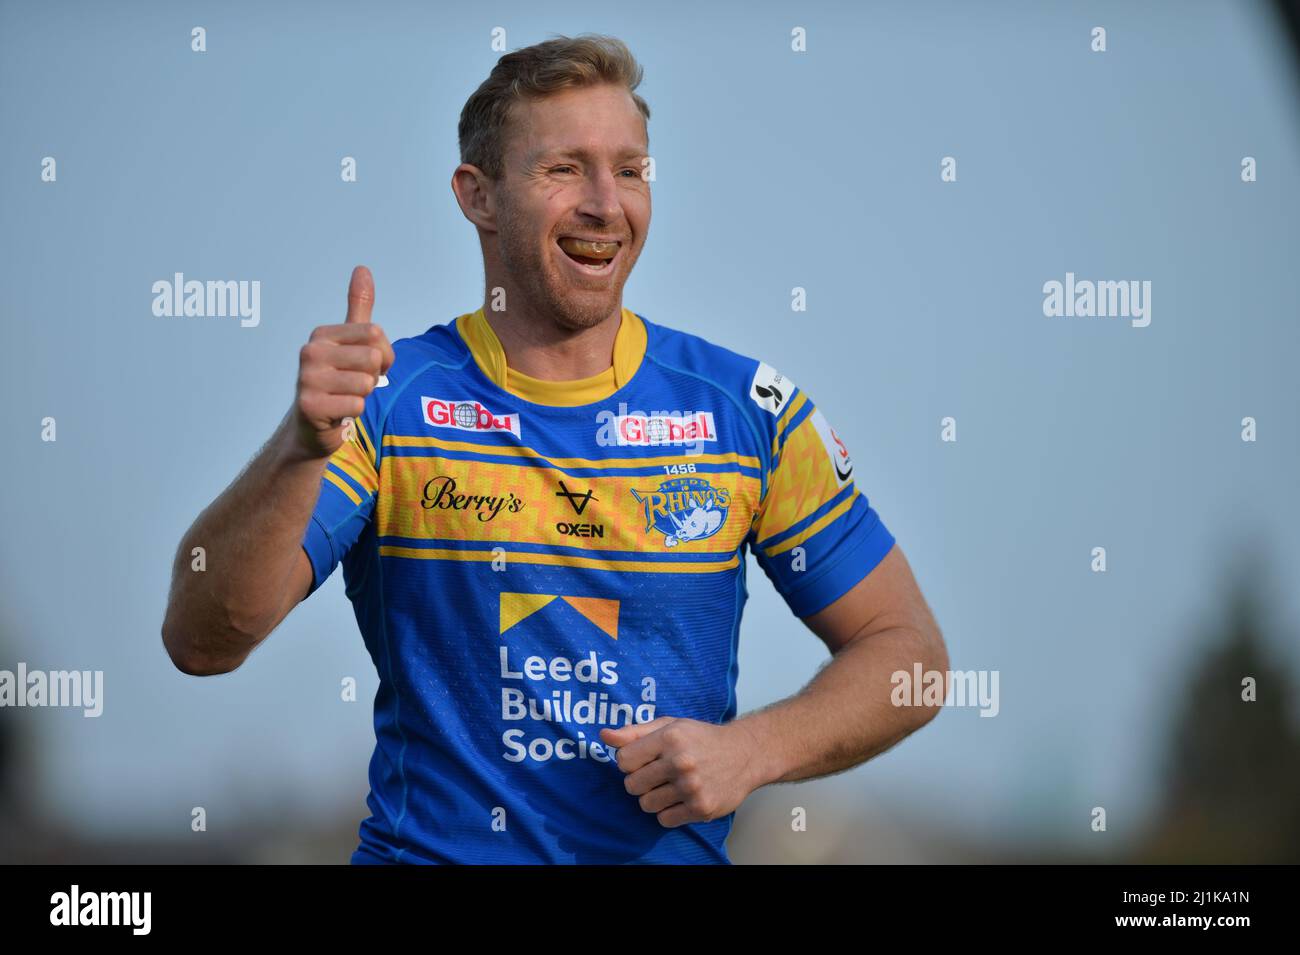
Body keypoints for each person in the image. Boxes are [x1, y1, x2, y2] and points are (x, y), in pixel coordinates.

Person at [161, 34, 948, 864]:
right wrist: (299, 447)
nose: (607, 203)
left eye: (632, 170)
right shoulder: (388, 406)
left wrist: (751, 752)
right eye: (564, 169)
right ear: (479, 197)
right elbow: (203, 639)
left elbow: (912, 658)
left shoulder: (745, 412)